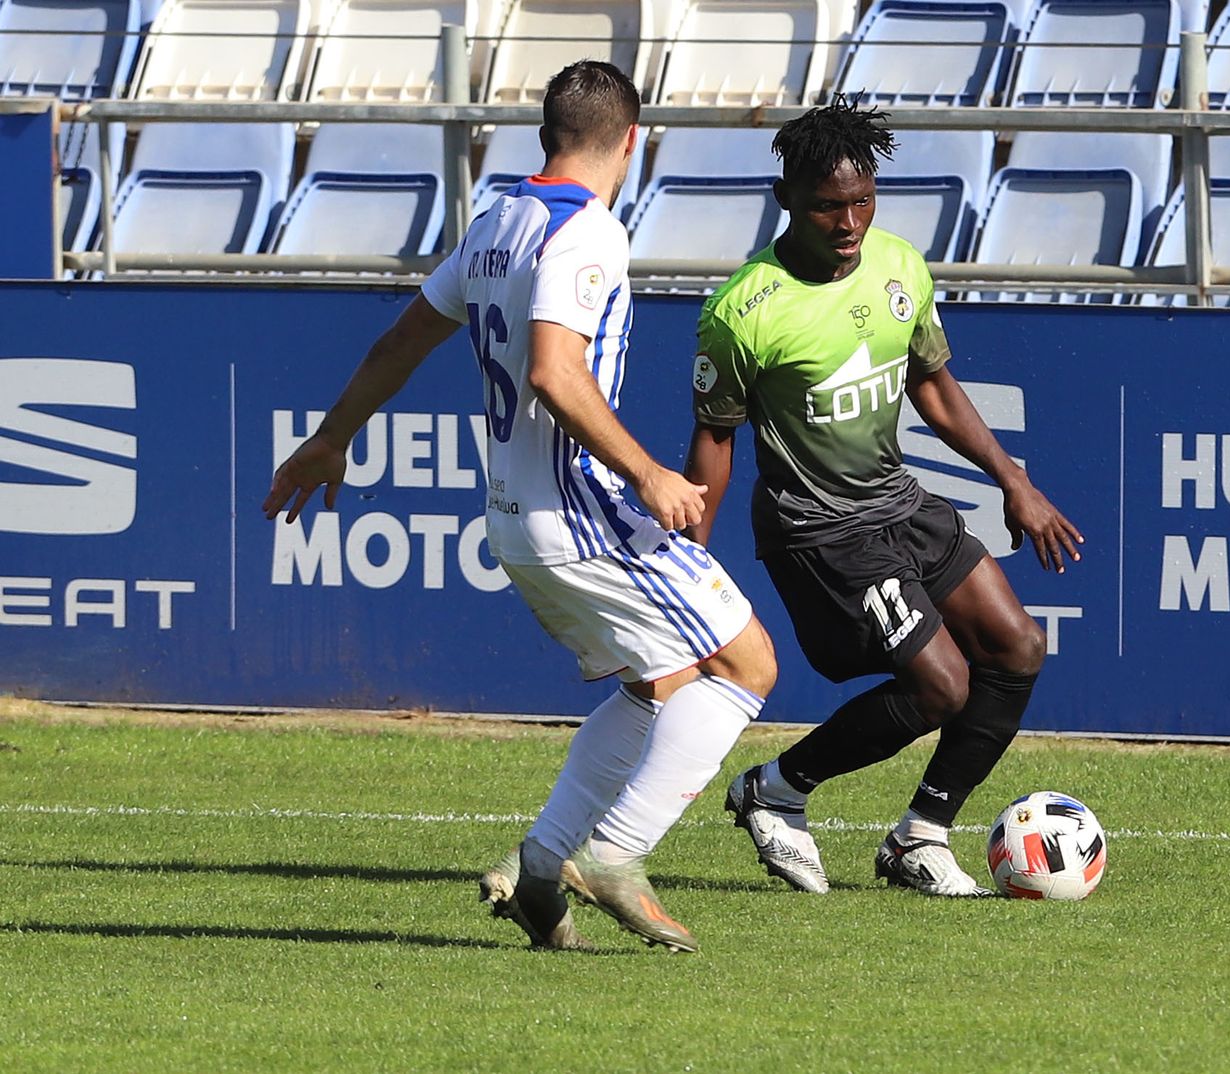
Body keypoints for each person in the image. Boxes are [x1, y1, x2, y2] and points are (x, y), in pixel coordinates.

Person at [262, 61, 777, 952]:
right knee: (748, 664)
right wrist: (650, 471)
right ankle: (616, 855)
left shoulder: (498, 221)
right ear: (631, 141)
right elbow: (555, 369)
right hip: (581, 507)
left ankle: (542, 870)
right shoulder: (591, 234)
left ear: (547, 135)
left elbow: (400, 340)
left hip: (515, 516)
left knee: (660, 688)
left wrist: (331, 436)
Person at [684, 99, 1082, 898]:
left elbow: (932, 386)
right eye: (830, 204)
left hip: (898, 503)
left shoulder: (899, 265)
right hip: (818, 530)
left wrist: (1015, 482)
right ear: (786, 197)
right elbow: (715, 441)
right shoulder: (742, 312)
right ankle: (777, 787)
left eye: (863, 200)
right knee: (942, 683)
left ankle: (920, 837)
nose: (849, 220)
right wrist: (687, 565)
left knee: (1017, 648)